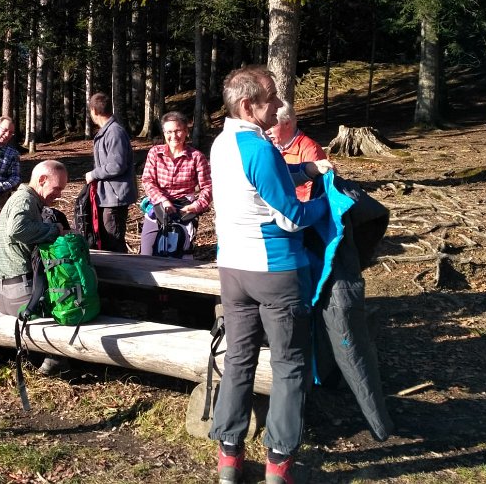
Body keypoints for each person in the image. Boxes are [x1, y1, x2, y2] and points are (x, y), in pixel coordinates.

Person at [210, 66, 333, 484]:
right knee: (290, 364)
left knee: (238, 359)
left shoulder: (223, 144)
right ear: (249, 106)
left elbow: (261, 184)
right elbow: (291, 216)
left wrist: (308, 171)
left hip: (232, 269)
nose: (280, 105)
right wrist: (328, 207)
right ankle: (279, 463)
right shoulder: (259, 149)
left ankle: (229, 458)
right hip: (275, 270)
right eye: (273, 98)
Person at [0, 160, 70, 376]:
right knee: (70, 305)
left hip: (3, 292)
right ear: (42, 180)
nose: (59, 194)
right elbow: (17, 229)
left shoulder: (24, 200)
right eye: (57, 188)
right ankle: (54, 360)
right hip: (21, 293)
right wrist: (55, 229)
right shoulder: (25, 199)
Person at [139, 111, 212, 256]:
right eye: (169, 132)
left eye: (178, 131)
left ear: (186, 132)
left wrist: (197, 206)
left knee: (180, 253)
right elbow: (148, 181)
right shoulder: (155, 153)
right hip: (158, 206)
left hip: (184, 209)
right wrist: (163, 200)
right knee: (147, 251)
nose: (174, 136)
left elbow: (208, 187)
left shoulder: (196, 157)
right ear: (164, 133)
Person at [85, 93, 137, 252]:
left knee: (113, 240)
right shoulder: (106, 132)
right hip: (108, 196)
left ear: (93, 111)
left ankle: (122, 275)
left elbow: (117, 165)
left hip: (115, 198)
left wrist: (93, 174)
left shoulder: (114, 132)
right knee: (106, 238)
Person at [267, 104, 327, 201]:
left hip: (297, 209)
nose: (267, 131)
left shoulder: (310, 150)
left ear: (287, 124)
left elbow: (315, 192)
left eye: (272, 126)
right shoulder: (270, 148)